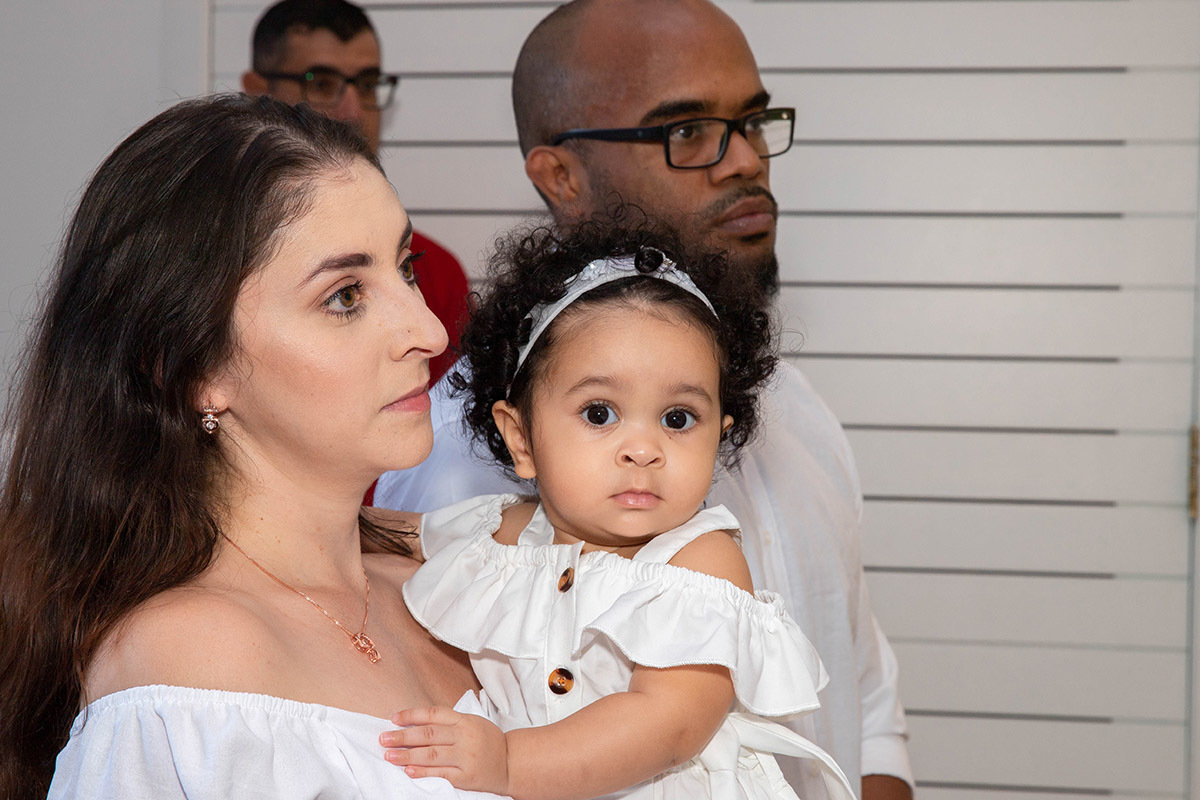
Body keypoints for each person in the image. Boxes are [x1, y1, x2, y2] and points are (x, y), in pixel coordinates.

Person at [372, 1, 914, 797]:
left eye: (754, 121)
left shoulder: (800, 411)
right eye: (687, 131)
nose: (745, 162)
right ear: (561, 175)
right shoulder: (444, 452)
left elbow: (864, 695)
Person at [0, 94, 508, 800]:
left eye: (407, 267)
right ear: (192, 367)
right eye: (344, 297)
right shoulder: (191, 660)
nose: (426, 330)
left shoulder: (454, 581)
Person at [379, 221, 856, 800]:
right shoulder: (499, 531)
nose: (643, 448)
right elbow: (393, 536)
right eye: (600, 413)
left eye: (678, 419)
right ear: (522, 437)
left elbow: (667, 725)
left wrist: (508, 759)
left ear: (718, 439)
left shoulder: (700, 563)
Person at [243, 0, 469, 384]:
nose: (351, 111)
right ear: (257, 91)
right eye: (322, 83)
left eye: (366, 85)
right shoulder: (214, 260)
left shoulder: (437, 273)